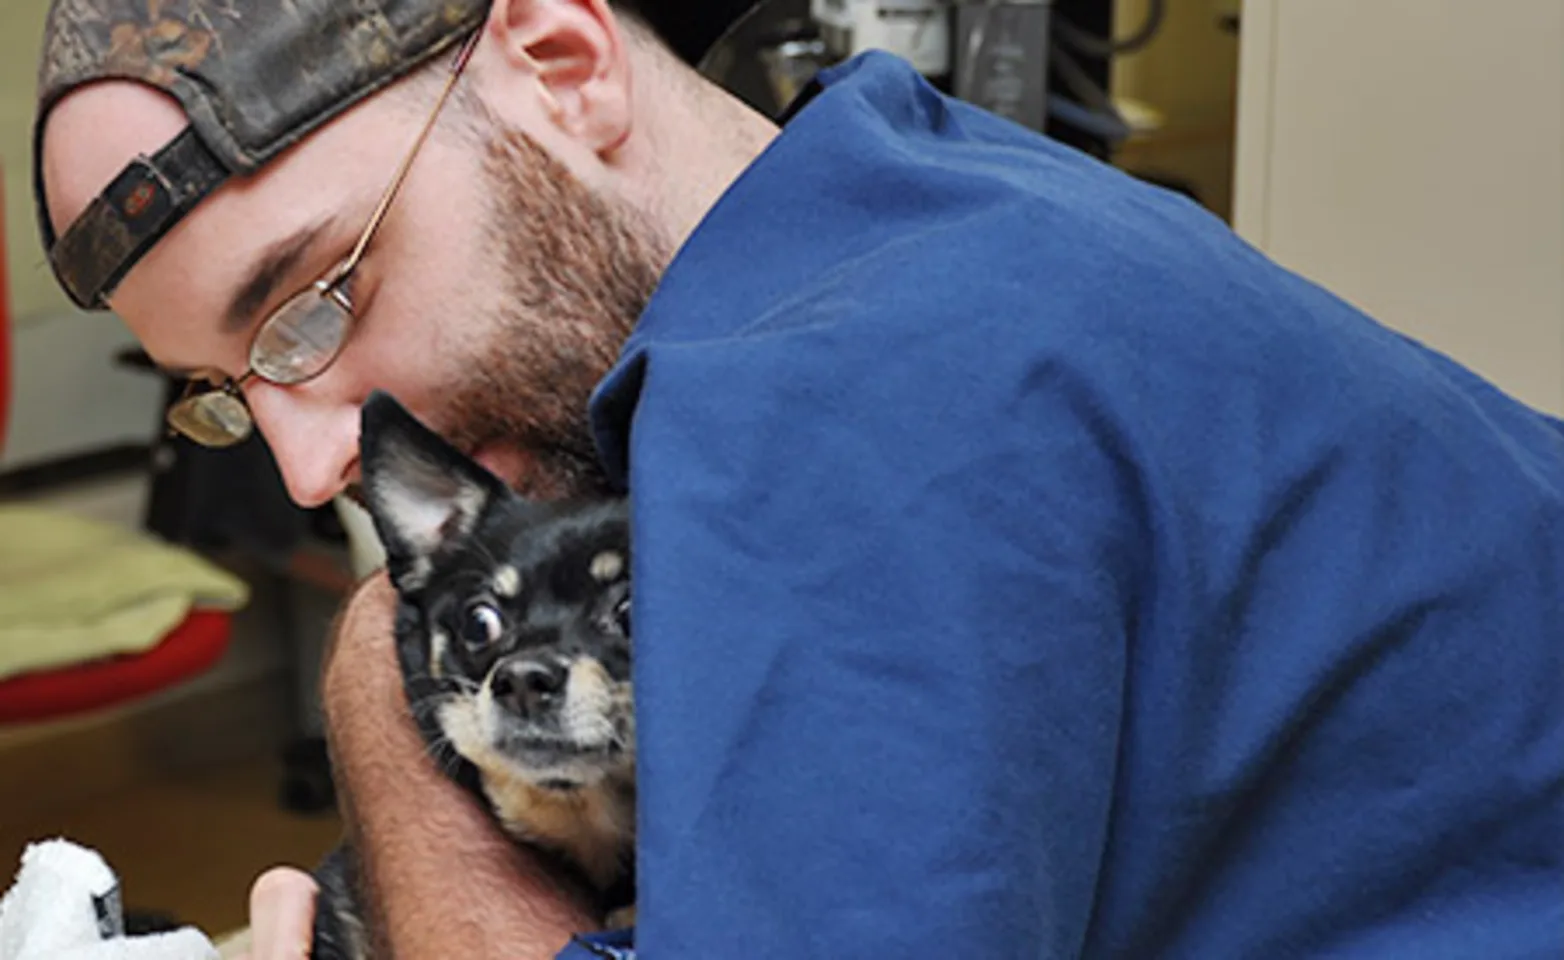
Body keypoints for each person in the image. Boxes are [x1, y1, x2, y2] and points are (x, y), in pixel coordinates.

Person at [31, 1, 1563, 958]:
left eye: (317, 302)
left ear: (560, 62)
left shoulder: (839, 411)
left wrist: (391, 716)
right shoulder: (913, 185)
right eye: (235, 401)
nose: (314, 468)